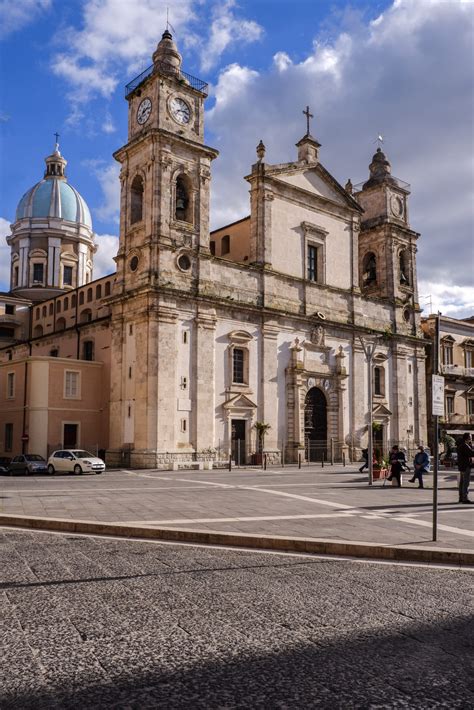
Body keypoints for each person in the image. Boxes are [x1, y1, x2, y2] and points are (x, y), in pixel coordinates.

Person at [456, 433, 473, 504]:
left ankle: (461, 497)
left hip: (462, 466)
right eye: (471, 437)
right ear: (468, 438)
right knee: (465, 483)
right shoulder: (465, 446)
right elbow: (471, 453)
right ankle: (465, 498)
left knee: (462, 483)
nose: (471, 438)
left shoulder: (461, 445)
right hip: (465, 466)